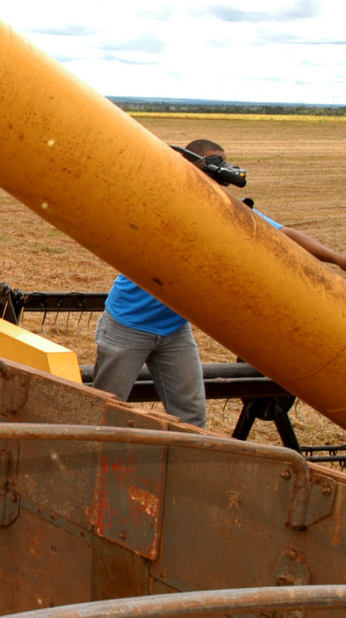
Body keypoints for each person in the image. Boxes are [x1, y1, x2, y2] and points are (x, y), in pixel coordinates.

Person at [93, 139, 346, 428]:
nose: (222, 177)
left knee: (191, 417)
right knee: (106, 411)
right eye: (215, 167)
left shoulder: (224, 212)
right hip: (128, 324)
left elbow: (282, 235)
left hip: (173, 328)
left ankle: (184, 470)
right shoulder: (163, 202)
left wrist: (338, 259)